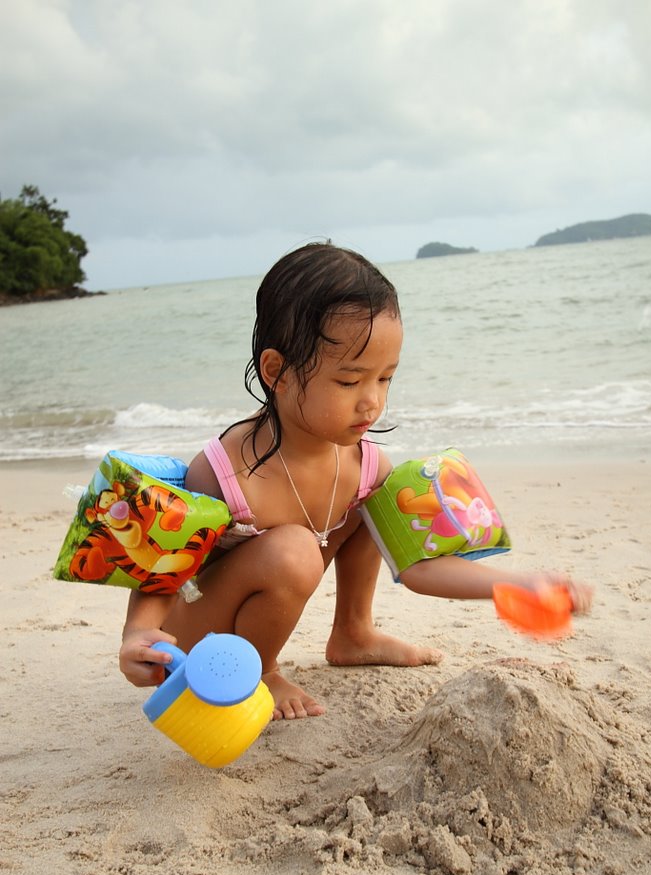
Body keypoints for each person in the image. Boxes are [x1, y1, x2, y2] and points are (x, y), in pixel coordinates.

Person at [119, 242, 592, 720]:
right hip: (202, 641)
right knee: (295, 550)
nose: (372, 402)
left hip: (267, 599)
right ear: (277, 372)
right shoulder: (226, 470)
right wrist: (138, 634)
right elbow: (161, 567)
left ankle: (353, 631)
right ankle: (262, 671)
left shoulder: (366, 466)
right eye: (350, 382)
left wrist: (516, 584)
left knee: (372, 502)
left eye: (385, 379)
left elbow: (419, 566)